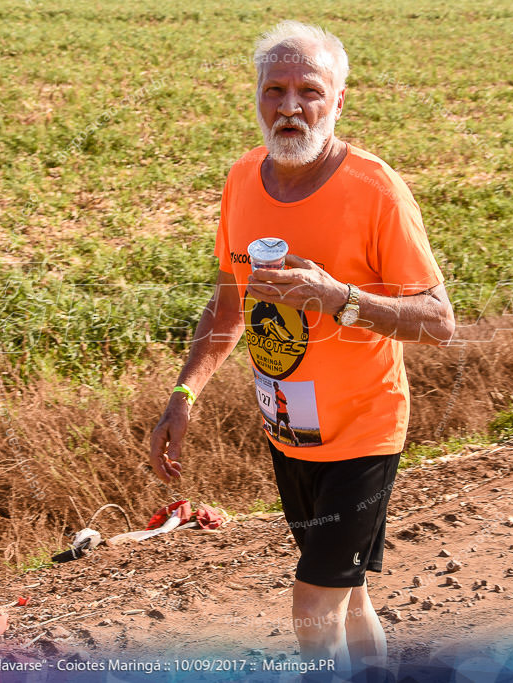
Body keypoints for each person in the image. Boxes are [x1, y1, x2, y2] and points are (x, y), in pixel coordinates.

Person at [148, 20, 455, 678]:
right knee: (348, 598)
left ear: (338, 101)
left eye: (309, 91)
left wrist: (337, 297)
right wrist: (183, 394)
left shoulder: (376, 191)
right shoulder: (241, 182)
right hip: (289, 432)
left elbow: (438, 319)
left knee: (312, 602)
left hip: (365, 432)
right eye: (275, 89)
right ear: (256, 97)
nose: (290, 107)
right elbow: (229, 304)